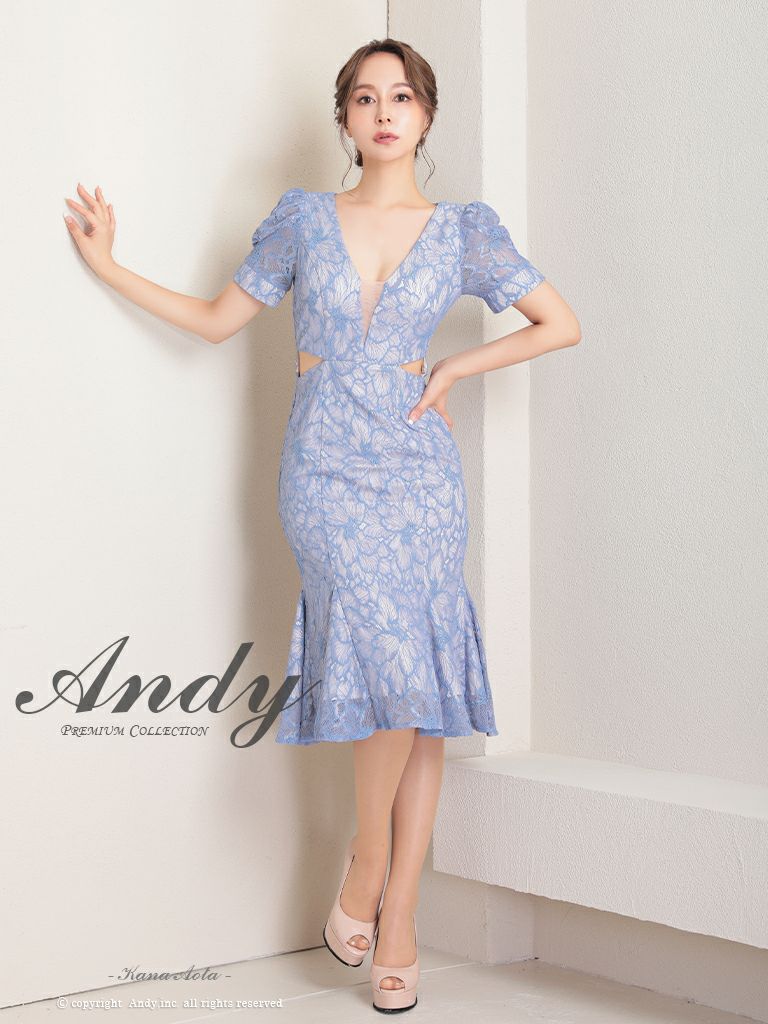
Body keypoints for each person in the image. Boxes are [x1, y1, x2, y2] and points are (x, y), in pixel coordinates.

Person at [64, 36, 580, 1016]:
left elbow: (561, 323)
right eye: (365, 98)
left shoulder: (464, 231)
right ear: (343, 118)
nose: (384, 112)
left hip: (420, 471)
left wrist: (456, 367)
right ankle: (368, 858)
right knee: (388, 661)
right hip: (326, 469)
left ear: (426, 115)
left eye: (402, 96)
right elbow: (217, 319)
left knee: (417, 686)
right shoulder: (303, 219)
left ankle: (398, 918)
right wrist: (111, 266)